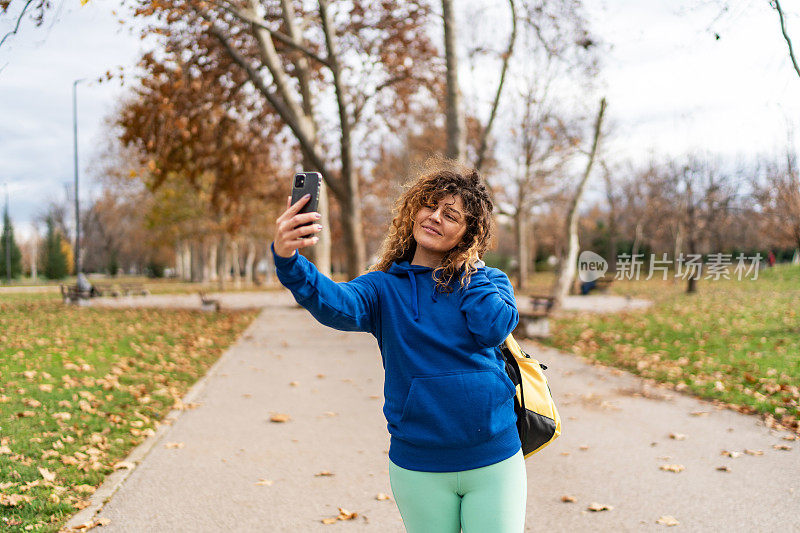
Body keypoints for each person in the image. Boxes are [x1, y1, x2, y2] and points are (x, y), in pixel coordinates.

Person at [271, 157, 526, 533]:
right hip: (418, 465)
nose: (435, 216)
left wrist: (470, 269)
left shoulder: (491, 281)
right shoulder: (382, 288)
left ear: (468, 234)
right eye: (430, 204)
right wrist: (288, 259)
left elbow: (491, 327)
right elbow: (333, 304)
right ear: (414, 209)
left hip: (494, 458)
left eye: (451, 215)